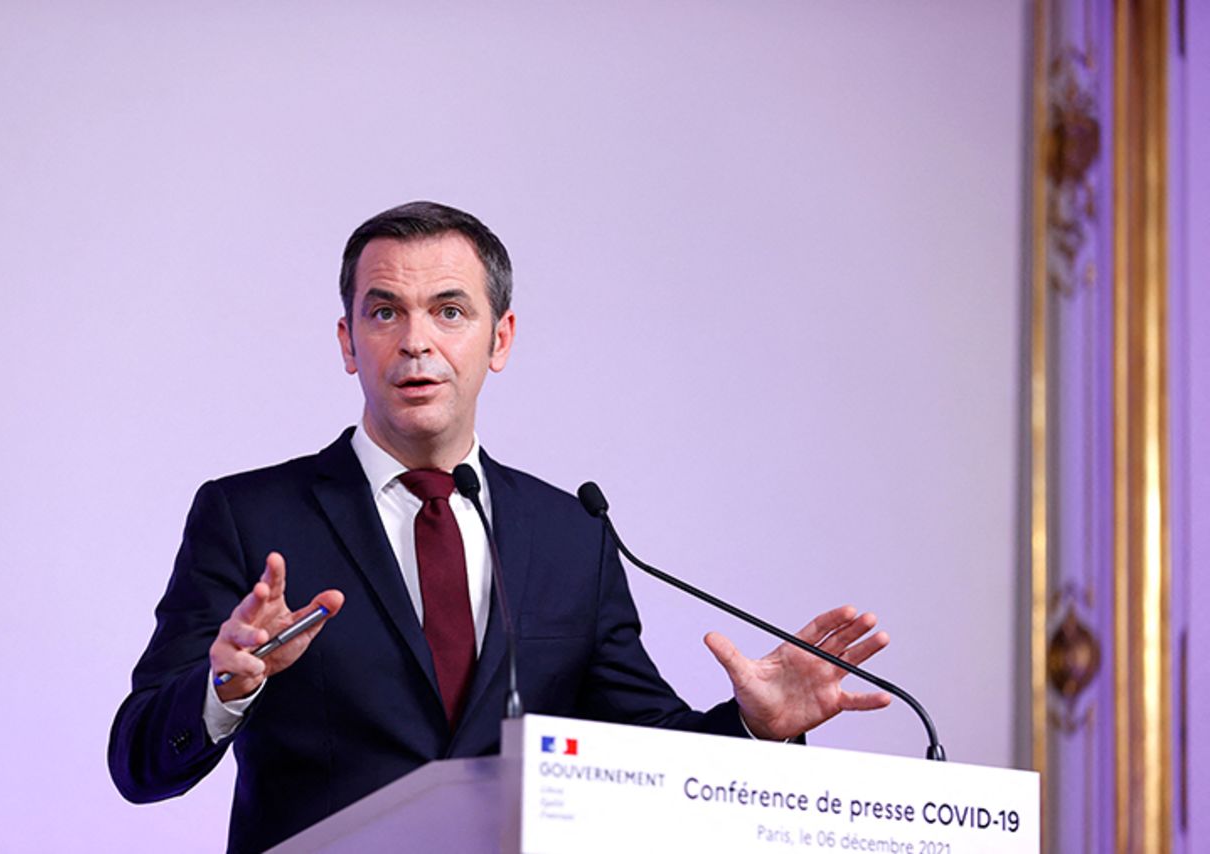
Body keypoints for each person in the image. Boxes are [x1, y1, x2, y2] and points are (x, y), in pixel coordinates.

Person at [108, 201, 892, 853]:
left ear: (500, 339)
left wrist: (758, 731)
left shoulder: (568, 535)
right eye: (385, 311)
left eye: (449, 311)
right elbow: (139, 763)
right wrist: (223, 688)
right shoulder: (249, 516)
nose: (417, 340)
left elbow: (650, 759)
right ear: (349, 342)